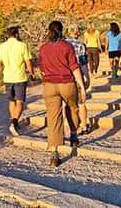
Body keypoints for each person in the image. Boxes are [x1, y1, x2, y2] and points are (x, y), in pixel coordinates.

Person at [39, 21, 87, 167]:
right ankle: (73, 134)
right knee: (73, 107)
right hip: (67, 83)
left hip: (49, 85)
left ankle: (54, 153)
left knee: (53, 117)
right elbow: (74, 67)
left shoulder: (43, 48)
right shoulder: (67, 46)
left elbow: (41, 69)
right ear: (62, 30)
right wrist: (82, 86)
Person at [0, 26, 34, 136]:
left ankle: (13, 121)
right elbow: (28, 62)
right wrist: (32, 73)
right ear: (16, 34)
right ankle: (14, 122)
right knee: (20, 101)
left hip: (8, 77)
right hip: (20, 77)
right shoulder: (22, 45)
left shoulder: (1, 47)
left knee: (11, 101)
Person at [65, 24, 91, 135]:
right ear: (77, 32)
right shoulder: (81, 45)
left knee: (68, 104)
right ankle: (84, 126)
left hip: (66, 77)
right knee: (81, 103)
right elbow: (83, 64)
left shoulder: (62, 44)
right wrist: (87, 78)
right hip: (78, 76)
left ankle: (71, 126)